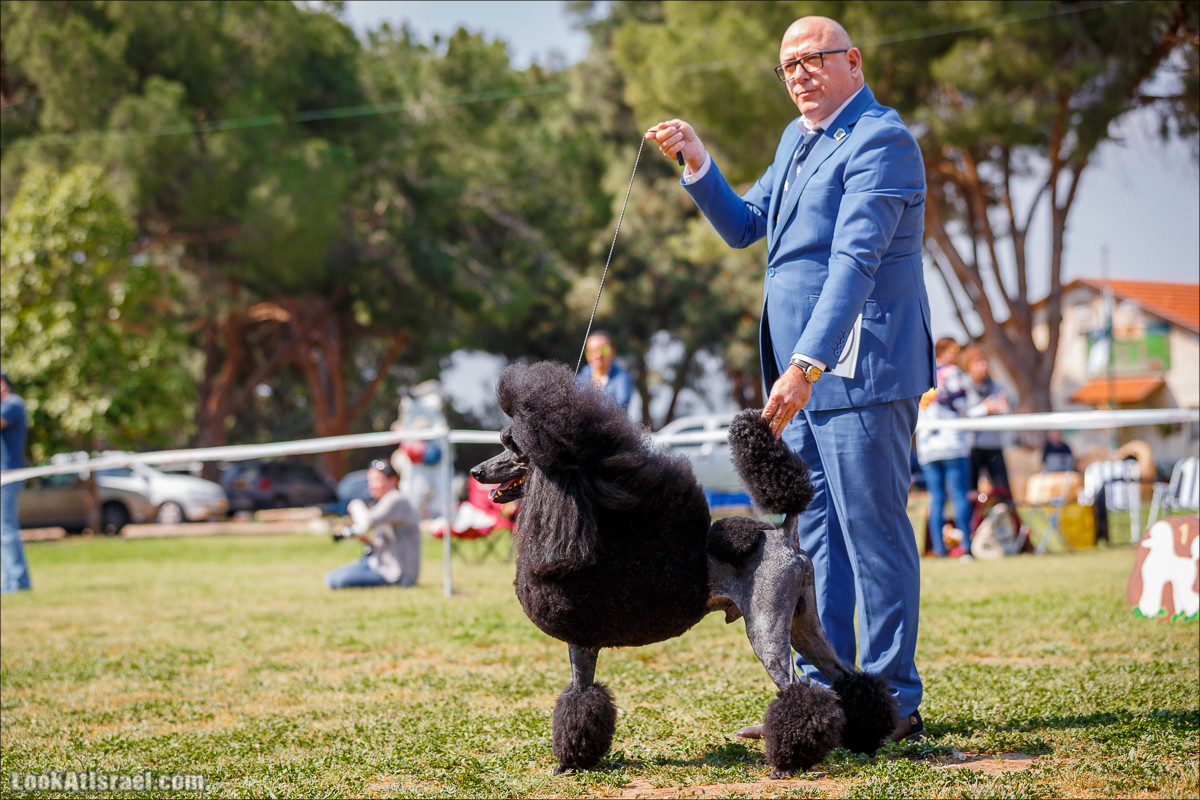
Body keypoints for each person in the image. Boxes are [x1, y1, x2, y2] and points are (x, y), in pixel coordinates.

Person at [648, 15, 933, 741]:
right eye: (788, 66)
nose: (800, 73)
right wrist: (697, 161)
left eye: (814, 59)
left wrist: (806, 362)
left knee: (873, 535)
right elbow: (747, 225)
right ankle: (827, 693)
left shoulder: (882, 141)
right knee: (816, 545)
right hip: (800, 379)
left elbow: (854, 263)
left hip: (860, 369)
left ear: (854, 62)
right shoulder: (795, 141)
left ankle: (897, 701)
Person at [915, 340, 975, 559]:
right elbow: (962, 405)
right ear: (944, 352)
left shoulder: (921, 373)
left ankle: (938, 548)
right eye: (954, 351)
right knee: (959, 496)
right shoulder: (953, 373)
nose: (957, 355)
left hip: (927, 445)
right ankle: (966, 546)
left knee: (936, 499)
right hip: (952, 442)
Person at [325, 459, 421, 589]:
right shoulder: (385, 501)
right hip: (379, 564)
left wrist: (355, 505)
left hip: (395, 573)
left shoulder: (396, 499)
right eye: (370, 480)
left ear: (393, 480)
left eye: (377, 480)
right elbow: (384, 546)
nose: (371, 485)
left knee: (336, 580)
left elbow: (368, 521)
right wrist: (365, 540)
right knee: (332, 578)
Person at [959, 345, 1013, 495]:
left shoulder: (996, 385)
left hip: (993, 444)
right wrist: (985, 409)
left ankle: (1007, 517)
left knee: (1003, 490)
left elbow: (1006, 412)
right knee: (970, 492)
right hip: (970, 447)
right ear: (968, 365)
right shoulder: (961, 385)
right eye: (977, 362)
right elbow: (962, 415)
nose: (982, 366)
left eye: (984, 362)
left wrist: (1002, 408)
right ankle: (972, 519)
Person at [1, 370, 32, 593]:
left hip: (8, 474)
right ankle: (13, 580)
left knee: (6, 529)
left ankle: (17, 581)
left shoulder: (13, 404)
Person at [576, 331, 632, 411]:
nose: (598, 355)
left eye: (604, 350)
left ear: (613, 351)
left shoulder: (622, 378)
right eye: (592, 351)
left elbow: (621, 405)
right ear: (586, 354)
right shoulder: (583, 374)